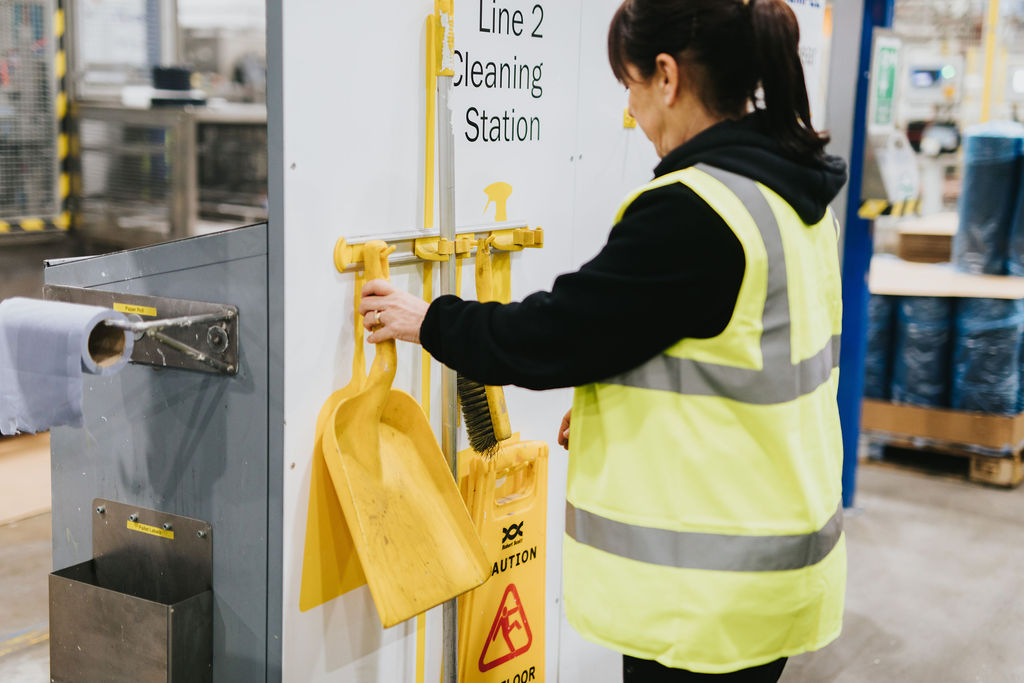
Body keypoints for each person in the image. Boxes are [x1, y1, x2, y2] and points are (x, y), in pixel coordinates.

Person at [359, 0, 847, 680]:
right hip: (767, 565)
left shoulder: (695, 210)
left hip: (706, 595)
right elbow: (727, 354)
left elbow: (559, 332)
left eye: (632, 87)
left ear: (668, 78)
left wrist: (430, 320)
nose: (634, 115)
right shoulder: (788, 195)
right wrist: (619, 402)